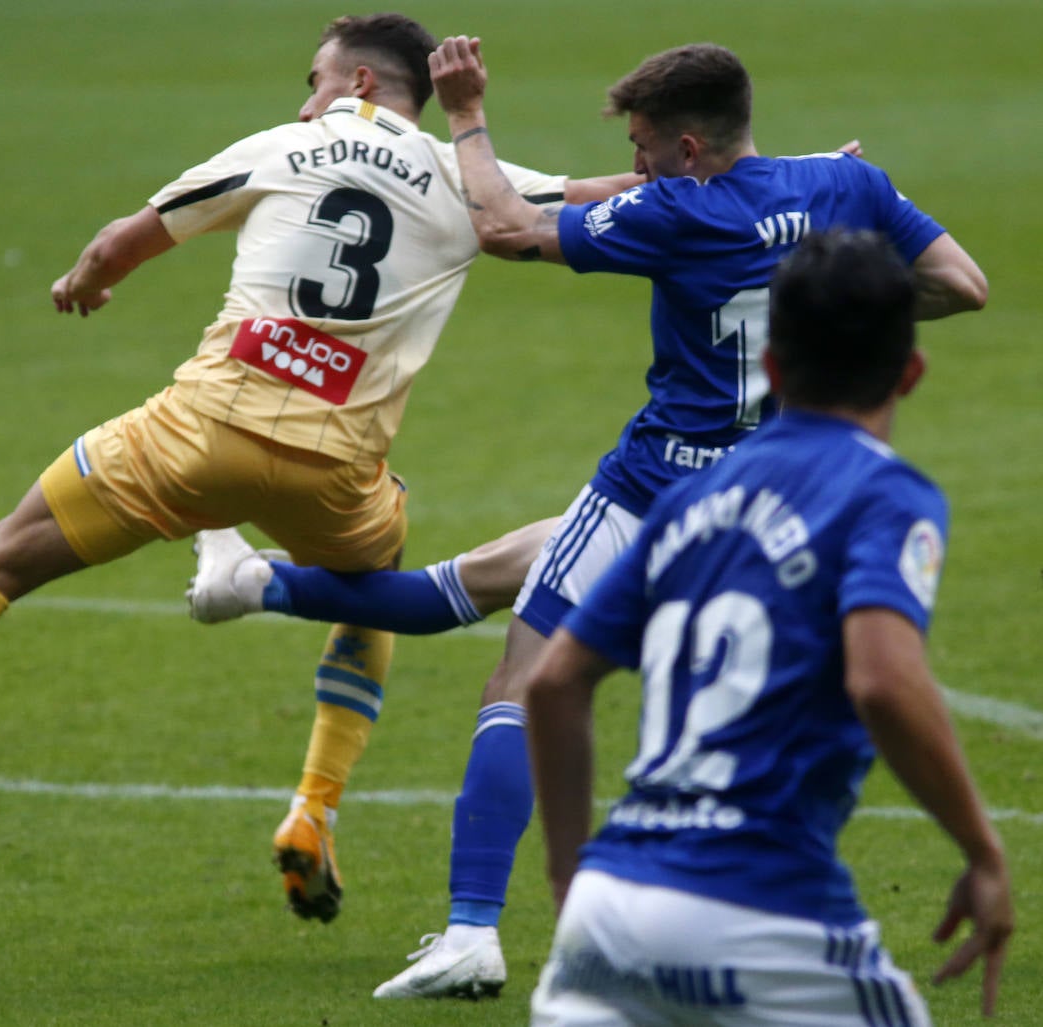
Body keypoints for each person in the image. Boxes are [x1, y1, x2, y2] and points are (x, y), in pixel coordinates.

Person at [0, 14, 644, 927]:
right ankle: (315, 807)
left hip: (193, 439)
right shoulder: (462, 174)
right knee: (368, 593)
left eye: (316, 79)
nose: (308, 98)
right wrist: (683, 173)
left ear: (358, 82)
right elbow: (573, 200)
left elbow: (128, 237)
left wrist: (86, 282)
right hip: (335, 478)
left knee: (2, 557)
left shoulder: (285, 145)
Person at [188, 39, 987, 998]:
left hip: (653, 487)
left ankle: (472, 930)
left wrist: (469, 114)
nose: (638, 164)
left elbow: (507, 226)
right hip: (769, 488)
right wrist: (817, 301)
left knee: (521, 676)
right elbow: (964, 285)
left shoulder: (673, 210)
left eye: (647, 146)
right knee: (480, 578)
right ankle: (249, 582)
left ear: (689, 147)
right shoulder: (844, 190)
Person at [524, 228, 1012, 1025]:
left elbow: (553, 679)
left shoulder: (687, 502)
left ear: (774, 369)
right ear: (911, 371)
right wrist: (983, 850)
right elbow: (883, 680)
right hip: (762, 903)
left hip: (609, 904)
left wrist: (567, 880)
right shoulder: (885, 492)